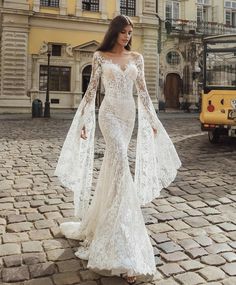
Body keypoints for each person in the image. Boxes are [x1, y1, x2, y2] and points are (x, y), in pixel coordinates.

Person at [55, 15, 181, 284]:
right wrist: (84, 122)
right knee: (122, 162)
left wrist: (152, 119)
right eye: (123, 32)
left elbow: (144, 92)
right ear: (114, 32)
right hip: (109, 115)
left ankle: (103, 220)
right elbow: (91, 92)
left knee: (115, 169)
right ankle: (123, 243)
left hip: (128, 117)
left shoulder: (137, 57)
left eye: (130, 32)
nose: (127, 36)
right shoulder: (99, 57)